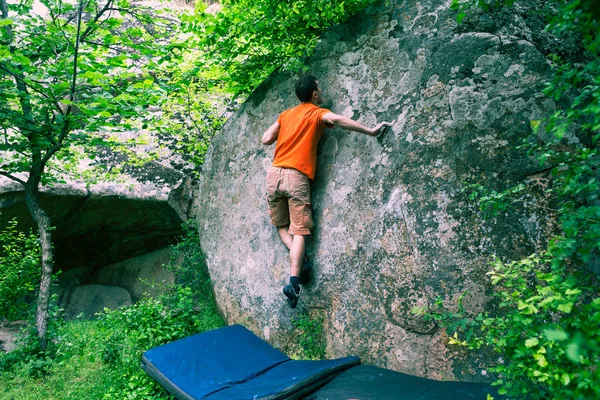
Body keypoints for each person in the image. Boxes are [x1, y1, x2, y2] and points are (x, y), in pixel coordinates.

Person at [261, 75, 391, 309]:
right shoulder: (317, 113)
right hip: (296, 176)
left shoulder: (286, 115)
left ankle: (301, 258)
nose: (320, 90)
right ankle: (293, 282)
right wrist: (370, 131)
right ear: (314, 94)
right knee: (300, 231)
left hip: (273, 175)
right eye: (319, 88)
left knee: (281, 226)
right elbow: (338, 119)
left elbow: (266, 139)